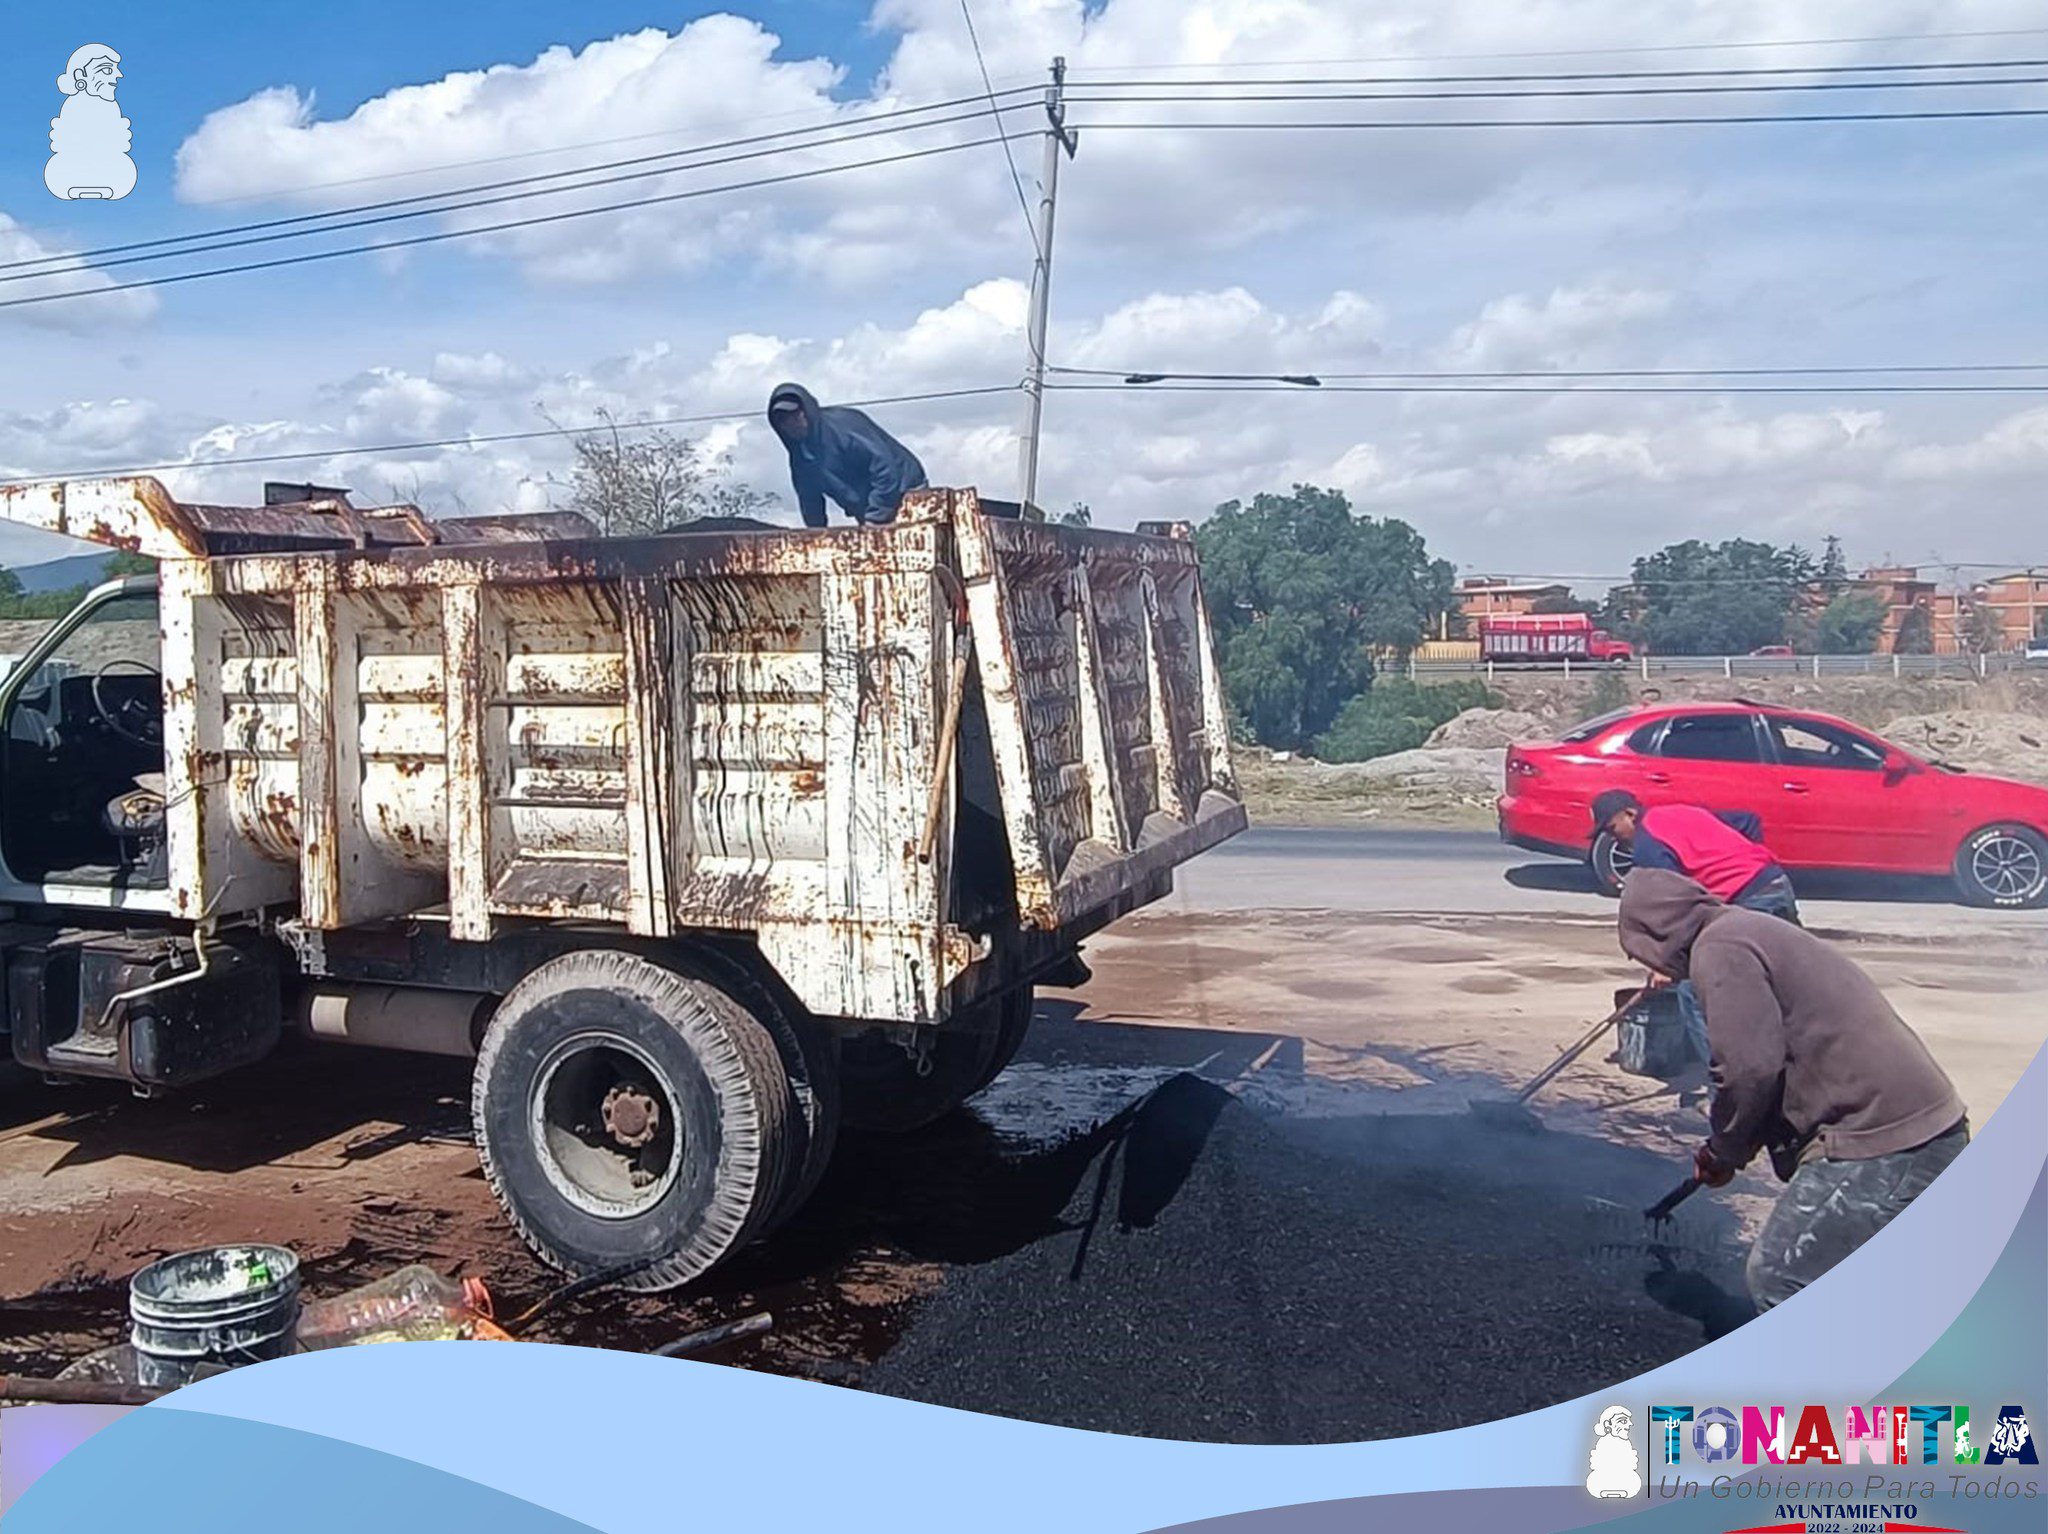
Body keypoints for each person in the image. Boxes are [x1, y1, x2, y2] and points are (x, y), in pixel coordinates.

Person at [1619, 869, 1967, 1312]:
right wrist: (1730, 1150)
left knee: (1782, 1275)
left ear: (1656, 934)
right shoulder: (1748, 929)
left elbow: (1748, 1069)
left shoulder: (1721, 950)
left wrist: (1725, 1148)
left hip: (1885, 1140)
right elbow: (1774, 1062)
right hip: (1918, 1124)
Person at [1593, 789, 1799, 1062]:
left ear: (1630, 814)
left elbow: (1674, 909)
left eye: (1613, 828)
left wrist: (1664, 965)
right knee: (1782, 982)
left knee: (1696, 991)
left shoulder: (1647, 846)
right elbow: (1749, 821)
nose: (1614, 836)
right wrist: (1747, 861)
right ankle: (1791, 1060)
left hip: (1749, 902)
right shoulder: (1679, 811)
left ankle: (1723, 1089)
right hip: (1776, 885)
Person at [766, 383, 927, 528]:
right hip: (868, 510)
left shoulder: (844, 427)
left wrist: (876, 517)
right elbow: (810, 501)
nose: (791, 423)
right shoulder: (800, 458)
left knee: (919, 551)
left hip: (906, 491)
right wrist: (815, 537)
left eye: (795, 414)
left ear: (806, 411)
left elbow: (885, 469)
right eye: (783, 420)